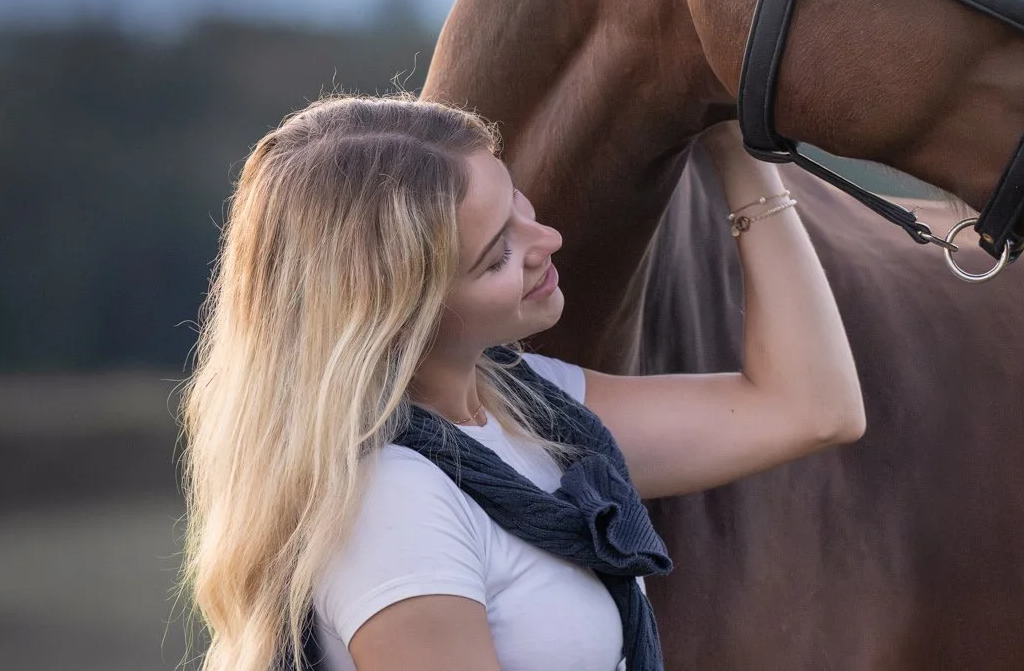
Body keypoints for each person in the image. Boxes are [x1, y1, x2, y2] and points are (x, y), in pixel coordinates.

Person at [177, 94, 865, 671]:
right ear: (403, 312)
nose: (547, 241)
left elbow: (812, 406)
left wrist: (736, 148)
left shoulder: (526, 408)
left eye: (518, 203)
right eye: (498, 251)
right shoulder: (394, 505)